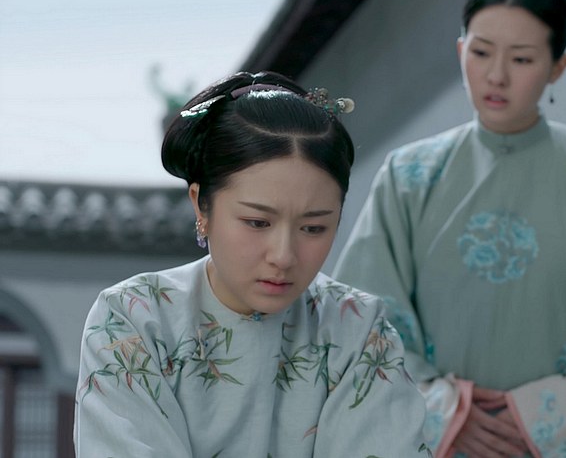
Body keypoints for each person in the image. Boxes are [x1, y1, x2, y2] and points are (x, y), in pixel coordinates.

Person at [333, 0, 566, 457]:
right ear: (461, 49)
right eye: (481, 52)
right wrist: (444, 415)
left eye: (521, 59)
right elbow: (363, 321)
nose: (496, 75)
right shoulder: (409, 177)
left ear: (558, 66)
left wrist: (539, 420)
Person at [74, 71, 430, 457]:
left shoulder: (358, 328)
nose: (283, 255)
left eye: (313, 227)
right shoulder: (133, 319)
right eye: (258, 222)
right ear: (201, 205)